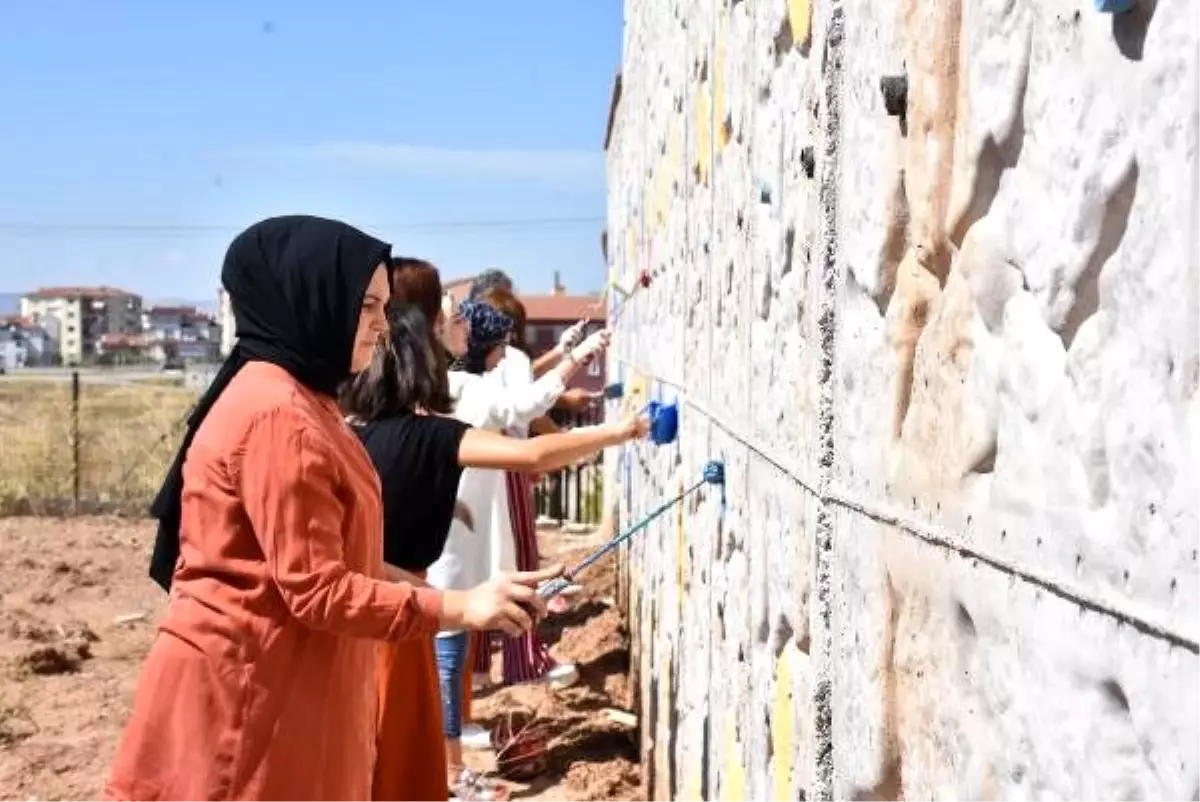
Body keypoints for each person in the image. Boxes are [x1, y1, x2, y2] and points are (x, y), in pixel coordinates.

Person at [103, 216, 554, 802]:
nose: (380, 325)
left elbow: (350, 558)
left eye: (383, 307)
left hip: (288, 690)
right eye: (366, 305)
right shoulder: (277, 415)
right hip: (250, 706)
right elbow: (318, 589)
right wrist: (459, 605)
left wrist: (469, 597)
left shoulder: (305, 400)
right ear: (311, 300)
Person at [341, 304, 646, 798]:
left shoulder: (349, 436)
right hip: (404, 612)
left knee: (364, 746)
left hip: (359, 609)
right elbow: (533, 455)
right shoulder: (431, 437)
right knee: (405, 752)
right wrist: (622, 430)